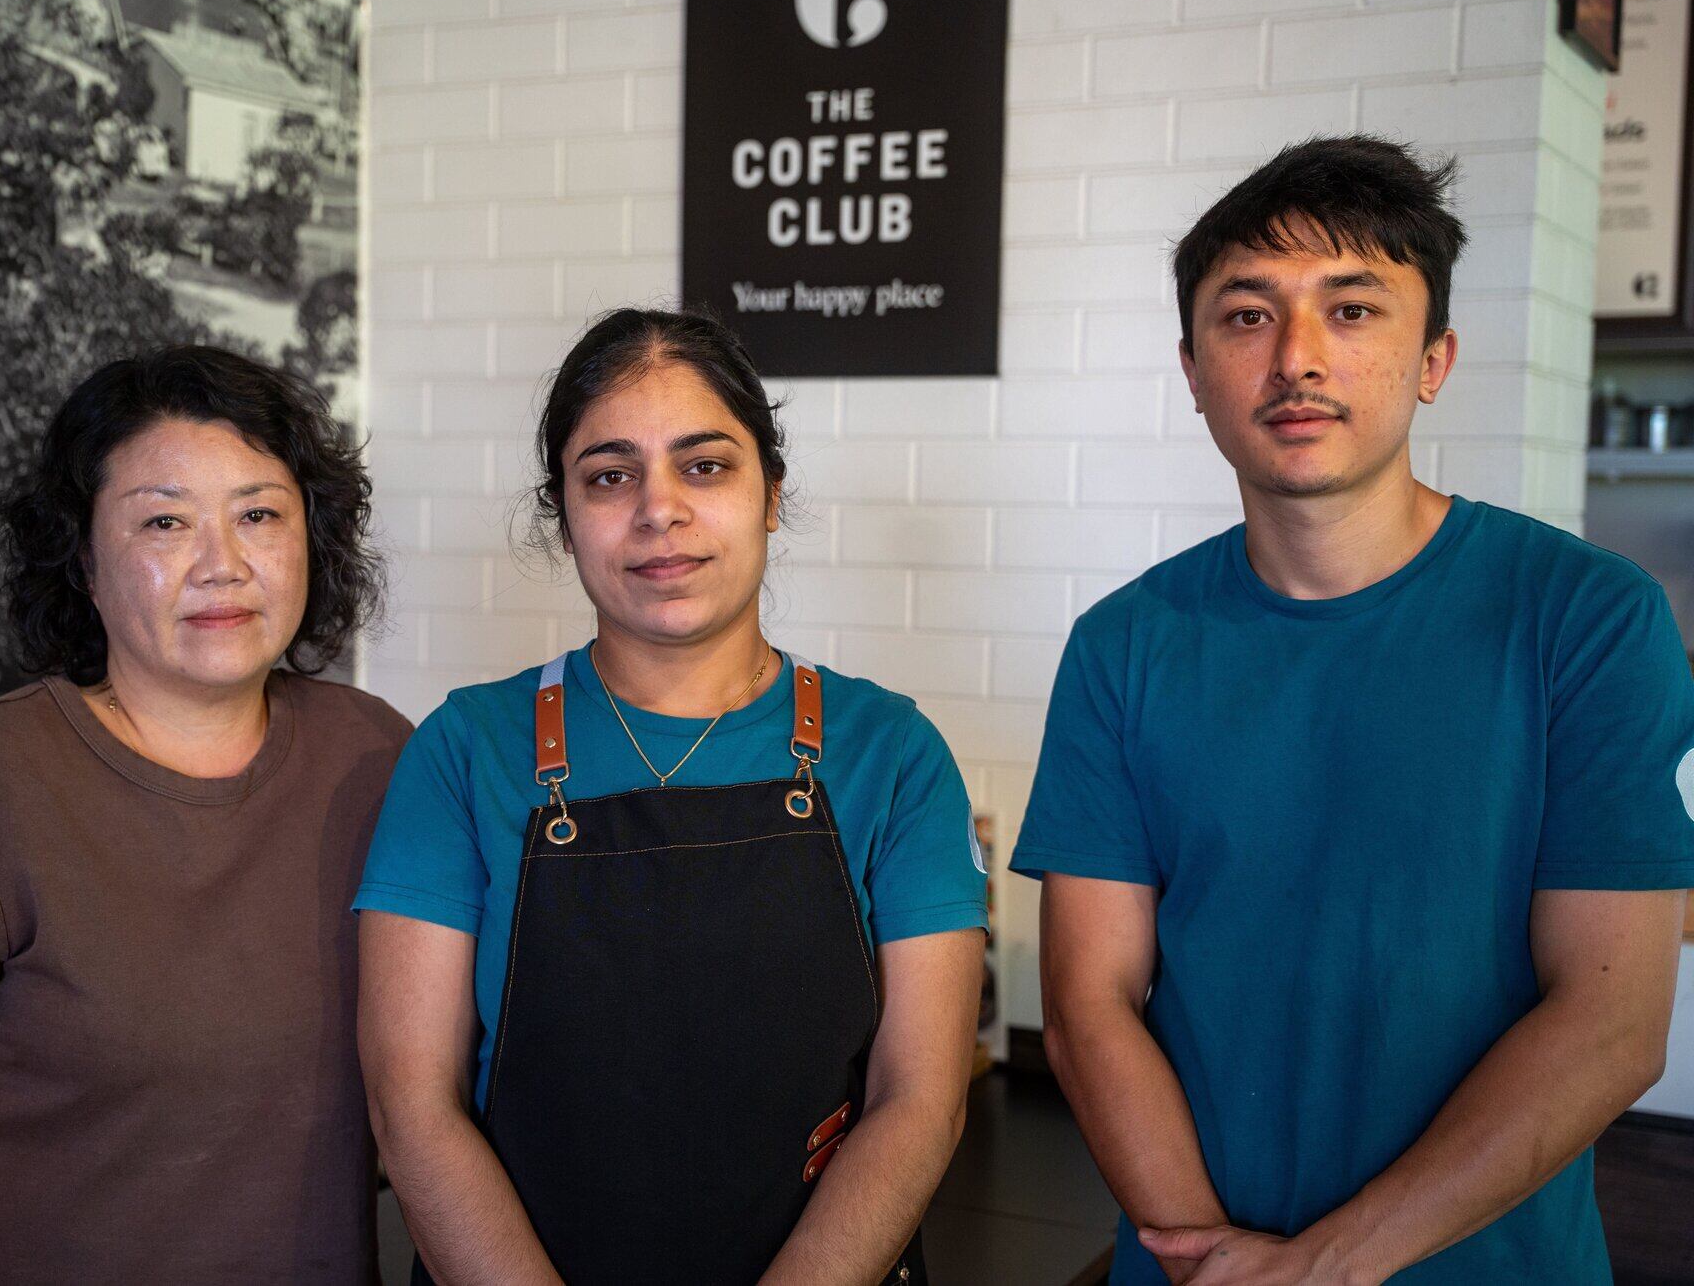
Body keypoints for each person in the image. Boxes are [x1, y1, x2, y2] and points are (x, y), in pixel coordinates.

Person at [1013, 134, 1694, 1284]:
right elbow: (1088, 1004)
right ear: (1191, 370)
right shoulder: (1120, 645)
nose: (1296, 357)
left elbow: (1609, 1021)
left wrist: (1323, 1266)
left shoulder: (1587, 618)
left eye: (1352, 310)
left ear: (1432, 360)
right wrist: (1205, 1259)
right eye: (1246, 316)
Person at [355, 307, 988, 1285]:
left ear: (770, 493)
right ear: (563, 514)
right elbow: (412, 1108)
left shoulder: (893, 754)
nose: (660, 509)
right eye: (610, 476)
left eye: (704, 465)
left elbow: (919, 1100)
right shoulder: (463, 749)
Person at [0, 345, 411, 1284]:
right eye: (165, 521)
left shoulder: (378, 756)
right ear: (84, 562)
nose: (223, 565)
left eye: (259, 514)